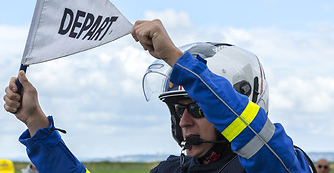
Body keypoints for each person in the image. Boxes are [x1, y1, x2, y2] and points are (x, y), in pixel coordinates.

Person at [4, 19, 317, 173]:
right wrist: (36, 123)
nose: (183, 121)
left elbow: (259, 139)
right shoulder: (170, 171)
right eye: (178, 109)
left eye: (196, 107)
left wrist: (178, 60)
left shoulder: (278, 164)